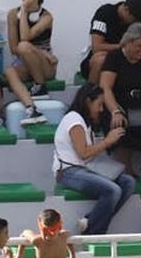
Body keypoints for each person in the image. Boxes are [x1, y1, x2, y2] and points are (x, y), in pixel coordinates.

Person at [53, 84, 132, 236]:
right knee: (113, 190)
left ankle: (90, 221)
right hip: (68, 172)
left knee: (128, 182)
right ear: (88, 101)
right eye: (99, 104)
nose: (101, 109)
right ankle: (95, 233)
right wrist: (107, 141)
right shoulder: (74, 120)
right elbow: (83, 153)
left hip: (85, 169)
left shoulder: (85, 121)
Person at [98, 25, 141, 170]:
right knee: (118, 126)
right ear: (128, 43)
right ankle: (126, 170)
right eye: (139, 46)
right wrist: (115, 111)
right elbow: (106, 88)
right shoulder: (115, 57)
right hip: (121, 101)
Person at [4, 0, 56, 112]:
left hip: (45, 66)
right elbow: (14, 48)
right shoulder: (13, 15)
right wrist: (43, 53)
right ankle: (30, 108)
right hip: (25, 63)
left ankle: (40, 86)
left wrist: (25, 10)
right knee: (9, 71)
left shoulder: (46, 17)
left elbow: (25, 38)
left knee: (24, 46)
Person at [81, 0, 141, 79]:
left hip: (129, 57)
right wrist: (123, 47)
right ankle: (93, 91)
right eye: (135, 20)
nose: (136, 23)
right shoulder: (104, 14)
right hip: (106, 57)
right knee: (100, 60)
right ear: (126, 10)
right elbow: (96, 47)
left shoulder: (140, 16)